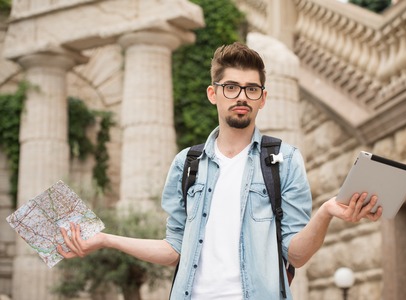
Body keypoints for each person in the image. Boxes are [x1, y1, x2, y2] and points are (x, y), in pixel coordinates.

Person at [58, 42, 382, 300]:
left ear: (263, 98)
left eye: (251, 89)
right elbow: (174, 250)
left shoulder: (285, 159)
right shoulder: (187, 163)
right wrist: (105, 240)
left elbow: (295, 256)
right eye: (231, 87)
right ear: (213, 93)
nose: (241, 96)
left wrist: (325, 212)